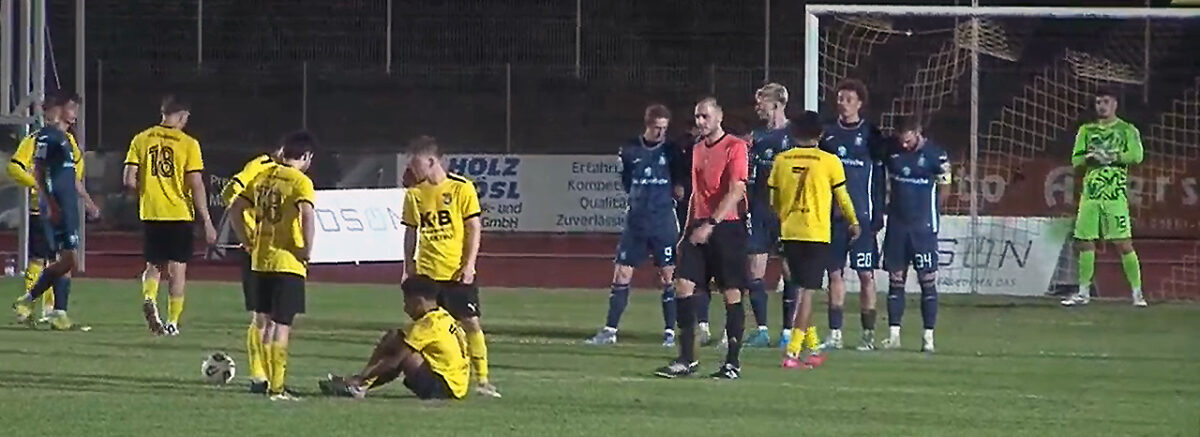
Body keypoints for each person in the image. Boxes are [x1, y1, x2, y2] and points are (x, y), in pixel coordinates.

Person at [654, 97, 750, 380]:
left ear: (719, 116)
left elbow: (737, 190)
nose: (700, 122)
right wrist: (686, 232)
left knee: (731, 293)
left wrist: (712, 223)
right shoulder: (697, 149)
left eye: (705, 116)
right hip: (699, 227)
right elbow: (697, 194)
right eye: (697, 117)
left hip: (727, 228)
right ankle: (687, 358)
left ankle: (732, 363)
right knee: (683, 286)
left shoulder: (735, 146)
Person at [400, 136, 500, 398]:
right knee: (428, 329)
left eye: (416, 164)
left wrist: (469, 264)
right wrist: (408, 265)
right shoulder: (414, 194)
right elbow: (411, 232)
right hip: (427, 274)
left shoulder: (461, 188)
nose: (412, 169)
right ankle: (433, 375)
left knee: (471, 323)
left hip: (455, 272)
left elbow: (473, 228)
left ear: (432, 161)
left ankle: (483, 380)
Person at [227, 131, 318, 401]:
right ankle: (277, 387)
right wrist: (306, 250)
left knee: (263, 322)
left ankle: (264, 380)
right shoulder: (301, 181)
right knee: (281, 325)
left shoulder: (263, 177)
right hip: (287, 261)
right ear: (305, 156)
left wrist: (246, 239)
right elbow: (307, 215)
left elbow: (235, 208)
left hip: (260, 260)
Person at [585, 104, 683, 347]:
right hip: (636, 222)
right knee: (621, 273)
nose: (661, 132)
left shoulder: (672, 151)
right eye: (657, 127)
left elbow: (680, 185)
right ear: (647, 124)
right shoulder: (630, 149)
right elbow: (627, 182)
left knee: (668, 276)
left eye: (664, 128)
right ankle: (610, 330)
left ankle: (670, 333)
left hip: (662, 222)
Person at [770, 110, 860, 368]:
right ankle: (792, 352)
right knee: (807, 293)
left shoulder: (781, 160)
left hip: (790, 231)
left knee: (801, 288)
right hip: (816, 233)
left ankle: (813, 346)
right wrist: (853, 221)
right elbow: (842, 197)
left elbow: (774, 200)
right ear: (820, 134)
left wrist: (785, 218)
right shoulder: (830, 161)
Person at [123, 95, 217, 336]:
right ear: (183, 115)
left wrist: (147, 192)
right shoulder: (188, 143)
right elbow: (195, 183)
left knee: (153, 265)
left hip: (151, 212)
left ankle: (149, 297)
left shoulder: (141, 139)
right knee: (177, 269)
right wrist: (207, 221)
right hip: (179, 213)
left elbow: (129, 180)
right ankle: (172, 322)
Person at [8, 92, 100, 323]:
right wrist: (40, 189)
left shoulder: (70, 143)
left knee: (62, 260)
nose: (75, 113)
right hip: (47, 210)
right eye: (71, 108)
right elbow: (17, 167)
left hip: (65, 209)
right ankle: (43, 308)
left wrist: (88, 203)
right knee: (45, 258)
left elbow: (73, 178)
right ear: (57, 110)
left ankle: (45, 307)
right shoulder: (40, 138)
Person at [1060, 86, 1146, 308]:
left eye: (1106, 102)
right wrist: (1090, 157)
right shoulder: (1086, 130)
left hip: (1115, 195)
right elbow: (1076, 160)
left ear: (1115, 104)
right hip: (1090, 195)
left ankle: (1137, 294)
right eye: (1098, 102)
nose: (1102, 106)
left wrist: (1111, 156)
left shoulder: (1127, 130)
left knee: (1123, 243)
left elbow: (1137, 156)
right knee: (1084, 242)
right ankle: (1083, 293)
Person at [318, 274, 470, 400]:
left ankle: (357, 384)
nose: (405, 308)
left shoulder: (428, 325)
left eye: (406, 302)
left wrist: (362, 377)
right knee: (395, 337)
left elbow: (394, 361)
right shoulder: (443, 316)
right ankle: (359, 385)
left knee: (405, 355)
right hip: (456, 385)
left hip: (444, 388)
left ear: (418, 302)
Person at [819, 78, 887, 351]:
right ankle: (835, 333)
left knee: (866, 275)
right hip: (833, 218)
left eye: (849, 100)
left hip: (863, 217)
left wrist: (878, 213)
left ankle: (867, 335)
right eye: (840, 99)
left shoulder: (871, 134)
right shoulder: (827, 134)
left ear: (860, 103)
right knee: (834, 274)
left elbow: (880, 178)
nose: (843, 104)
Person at [880, 115, 951, 353]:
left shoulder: (936, 155)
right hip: (897, 227)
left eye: (908, 140)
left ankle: (928, 337)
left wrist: (930, 214)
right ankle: (894, 335)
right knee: (895, 280)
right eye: (901, 140)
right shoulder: (891, 150)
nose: (904, 144)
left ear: (918, 132)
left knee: (927, 280)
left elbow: (945, 187)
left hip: (923, 229)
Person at [219, 146, 281, 393]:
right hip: (257, 250)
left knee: (275, 317)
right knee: (263, 316)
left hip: (279, 252)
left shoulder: (289, 175)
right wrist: (248, 232)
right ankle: (259, 376)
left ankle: (266, 376)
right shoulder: (260, 165)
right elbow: (229, 193)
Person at [744, 82, 794, 349]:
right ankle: (761, 329)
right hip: (760, 211)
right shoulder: (756, 137)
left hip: (787, 214)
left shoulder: (795, 136)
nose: (757, 107)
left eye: (761, 101)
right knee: (754, 270)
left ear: (776, 104)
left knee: (790, 272)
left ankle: (787, 332)